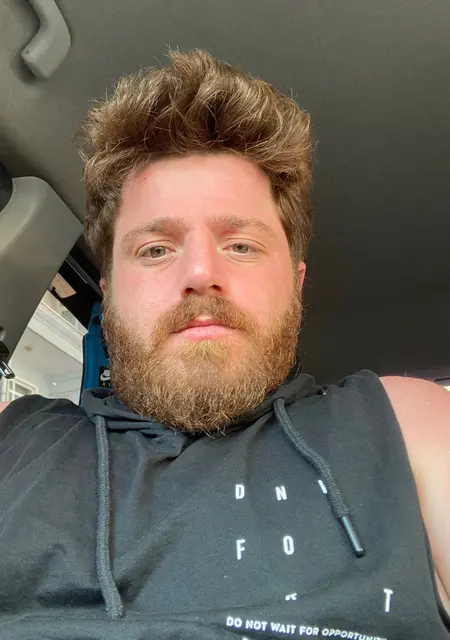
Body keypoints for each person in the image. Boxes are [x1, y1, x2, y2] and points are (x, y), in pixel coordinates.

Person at [0, 49, 449, 640]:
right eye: (155, 249)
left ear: (296, 283)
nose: (200, 272)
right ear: (108, 295)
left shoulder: (409, 423)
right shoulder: (13, 438)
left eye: (241, 245)